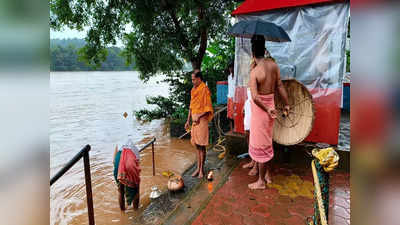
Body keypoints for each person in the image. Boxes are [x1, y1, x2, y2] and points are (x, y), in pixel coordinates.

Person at [248, 35, 290, 190]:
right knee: (267, 142)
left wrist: (266, 109)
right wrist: (286, 104)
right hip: (271, 108)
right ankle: (267, 175)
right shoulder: (273, 65)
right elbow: (279, 86)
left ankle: (260, 181)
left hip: (262, 111)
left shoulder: (255, 72)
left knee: (260, 144)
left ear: (252, 52)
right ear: (264, 49)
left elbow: (255, 97)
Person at [185, 69, 214, 179]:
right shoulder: (193, 90)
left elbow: (208, 108)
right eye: (191, 79)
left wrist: (199, 116)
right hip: (194, 121)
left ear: (199, 78)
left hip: (202, 120)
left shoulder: (204, 89)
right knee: (197, 145)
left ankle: (201, 170)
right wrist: (188, 120)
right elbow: (191, 106)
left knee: (202, 145)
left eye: (193, 79)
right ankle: (198, 168)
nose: (192, 81)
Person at [113, 139, 141, 210]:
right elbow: (137, 164)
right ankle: (136, 211)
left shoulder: (118, 144)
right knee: (136, 188)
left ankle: (122, 211)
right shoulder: (134, 147)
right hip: (130, 160)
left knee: (120, 190)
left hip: (118, 160)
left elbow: (113, 161)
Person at [226, 61, 236, 131]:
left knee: (235, 114)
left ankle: (235, 128)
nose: (231, 69)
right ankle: (231, 129)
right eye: (230, 67)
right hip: (229, 97)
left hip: (235, 98)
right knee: (229, 115)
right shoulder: (229, 77)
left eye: (232, 67)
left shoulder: (237, 77)